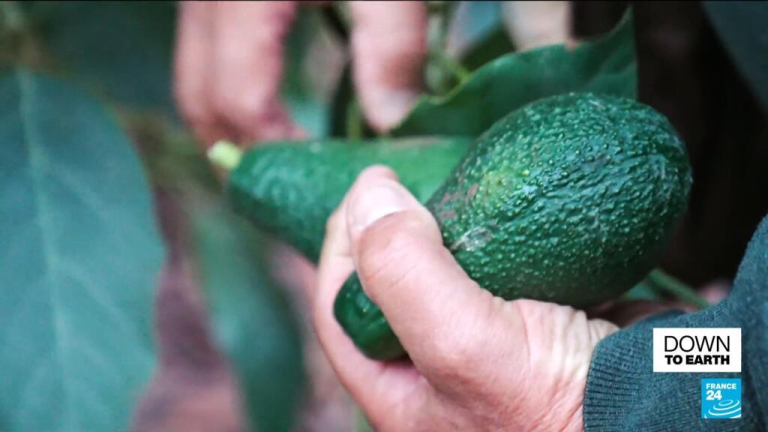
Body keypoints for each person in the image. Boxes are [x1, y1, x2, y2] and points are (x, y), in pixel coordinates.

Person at [174, 2, 766, 430]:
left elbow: (733, 372)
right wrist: (716, 377)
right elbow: (732, 364)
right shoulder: (721, 353)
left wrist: (590, 410)